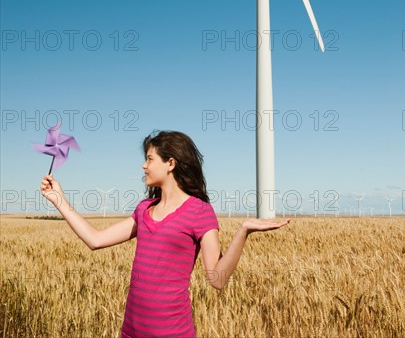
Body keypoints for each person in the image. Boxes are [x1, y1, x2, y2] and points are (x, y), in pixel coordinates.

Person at [40, 130, 290, 338]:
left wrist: (244, 230)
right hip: (131, 331)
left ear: (170, 163)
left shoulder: (199, 212)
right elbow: (95, 240)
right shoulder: (143, 210)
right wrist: (59, 200)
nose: (143, 165)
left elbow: (217, 279)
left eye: (150, 159)